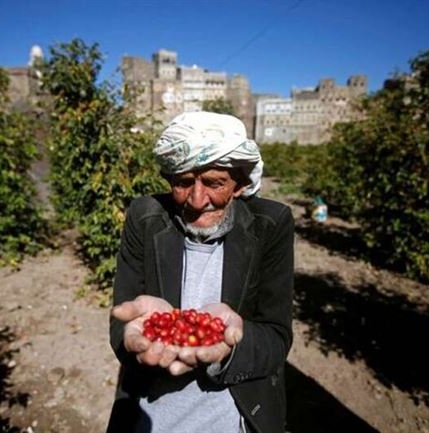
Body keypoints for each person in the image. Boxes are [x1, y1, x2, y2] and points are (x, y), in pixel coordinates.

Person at [107, 111, 294, 433]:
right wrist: (134, 340)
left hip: (230, 414)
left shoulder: (270, 225)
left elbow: (276, 335)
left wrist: (231, 346)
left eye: (214, 183)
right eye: (182, 182)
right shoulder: (144, 217)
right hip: (153, 415)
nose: (196, 200)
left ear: (239, 184)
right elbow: (123, 320)